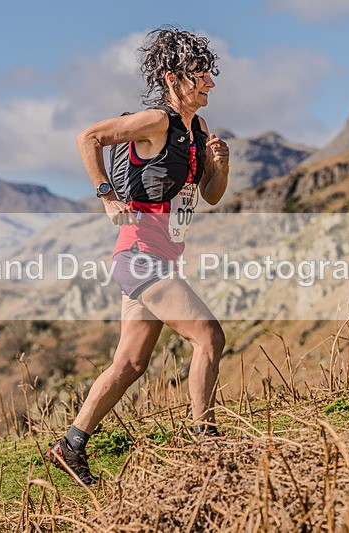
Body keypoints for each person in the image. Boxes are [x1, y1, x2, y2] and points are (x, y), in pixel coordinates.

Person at [47, 27, 229, 486]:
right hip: (139, 256)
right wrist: (107, 196)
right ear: (173, 78)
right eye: (200, 75)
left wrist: (221, 168)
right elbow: (88, 137)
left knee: (129, 365)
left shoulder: (197, 130)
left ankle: (69, 446)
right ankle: (206, 440)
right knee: (209, 337)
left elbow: (209, 196)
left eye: (210, 74)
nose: (209, 83)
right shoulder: (156, 121)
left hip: (163, 259)